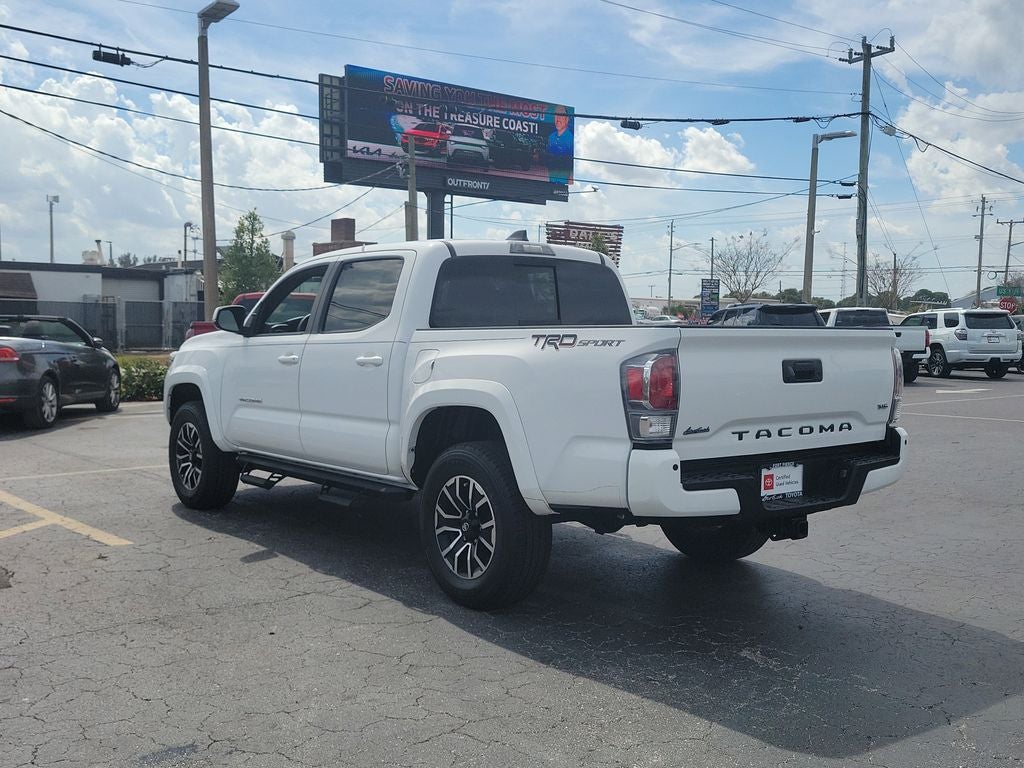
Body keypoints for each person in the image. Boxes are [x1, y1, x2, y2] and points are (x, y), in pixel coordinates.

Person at [545, 105, 573, 184]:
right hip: (551, 180)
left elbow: (571, 161)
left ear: (567, 119)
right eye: (556, 115)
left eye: (561, 115)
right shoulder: (551, 137)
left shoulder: (570, 138)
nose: (558, 118)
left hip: (562, 182)